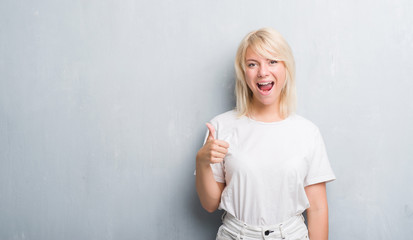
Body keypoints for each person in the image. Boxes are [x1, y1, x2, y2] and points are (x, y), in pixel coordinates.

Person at [195, 27, 336, 240]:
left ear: (286, 68)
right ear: (244, 72)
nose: (263, 72)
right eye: (253, 64)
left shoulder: (308, 132)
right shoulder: (220, 127)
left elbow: (317, 209)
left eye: (272, 61)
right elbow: (209, 204)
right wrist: (201, 161)